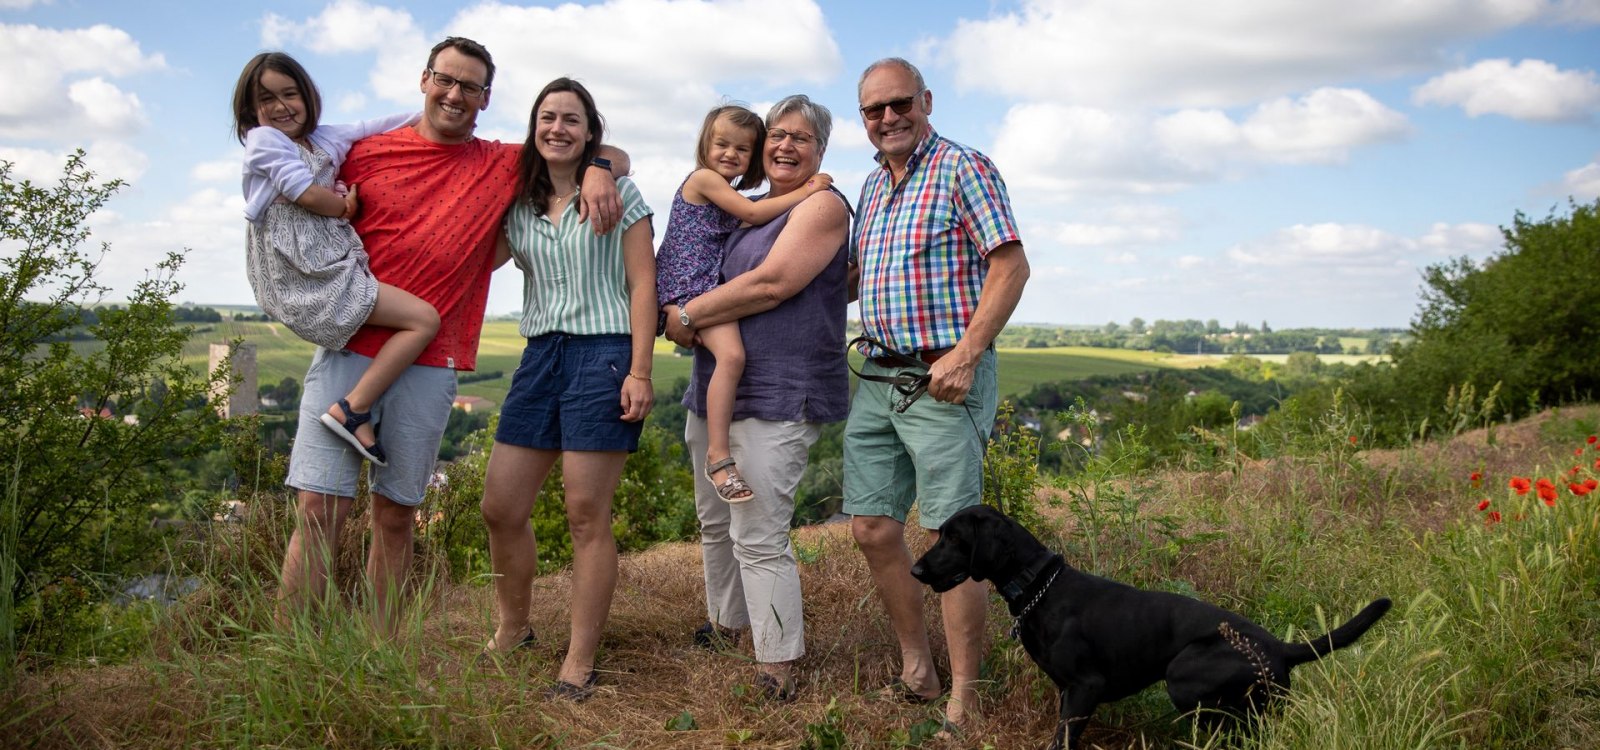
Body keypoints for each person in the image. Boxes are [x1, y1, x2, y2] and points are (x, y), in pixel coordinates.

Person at [275, 38, 627, 638]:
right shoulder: (366, 152)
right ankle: (289, 651)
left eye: (470, 87)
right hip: (348, 344)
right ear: (424, 79)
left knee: (395, 515)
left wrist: (598, 169)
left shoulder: (501, 163)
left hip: (431, 360)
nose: (454, 94)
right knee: (318, 510)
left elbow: (603, 149)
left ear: (486, 99)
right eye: (446, 80)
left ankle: (380, 654)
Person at [844, 57, 1030, 732]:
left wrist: (967, 353)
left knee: (955, 537)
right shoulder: (870, 187)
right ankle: (917, 665)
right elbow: (852, 280)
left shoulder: (963, 167)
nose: (888, 118)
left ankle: (966, 699)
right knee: (871, 526)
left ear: (925, 100)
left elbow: (1010, 264)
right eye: (874, 110)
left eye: (900, 104)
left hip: (941, 378)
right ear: (862, 118)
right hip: (877, 378)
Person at [663, 95, 851, 702]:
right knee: (716, 522)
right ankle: (726, 625)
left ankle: (777, 662)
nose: (785, 146)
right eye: (777, 134)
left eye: (800, 137)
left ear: (820, 150)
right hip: (717, 388)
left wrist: (685, 312)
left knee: (760, 534)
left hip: (777, 393)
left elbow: (772, 285)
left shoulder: (821, 205)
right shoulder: (746, 208)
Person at [478, 78, 656, 701]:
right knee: (500, 507)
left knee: (586, 514)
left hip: (602, 353)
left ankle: (579, 660)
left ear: (590, 131)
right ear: (534, 126)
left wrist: (639, 370)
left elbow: (642, 286)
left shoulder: (619, 192)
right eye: (547, 117)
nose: (558, 128)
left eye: (571, 120)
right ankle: (514, 628)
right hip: (538, 356)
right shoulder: (518, 205)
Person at [233, 51, 437, 466]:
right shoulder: (265, 140)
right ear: (251, 111)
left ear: (308, 96)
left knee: (418, 319)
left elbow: (374, 125)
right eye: (266, 99)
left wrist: (430, 114)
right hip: (300, 273)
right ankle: (353, 408)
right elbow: (304, 192)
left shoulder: (327, 138)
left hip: (327, 261)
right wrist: (344, 207)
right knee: (424, 320)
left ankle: (354, 409)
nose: (280, 106)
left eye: (290, 94)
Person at [655, 104, 834, 504]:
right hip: (689, 290)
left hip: (696, 293)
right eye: (721, 144)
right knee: (732, 358)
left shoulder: (728, 196)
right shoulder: (705, 180)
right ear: (705, 144)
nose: (730, 155)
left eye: (742, 149)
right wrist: (807, 191)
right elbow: (754, 213)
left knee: (730, 358)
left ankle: (718, 455)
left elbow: (762, 240)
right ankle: (720, 456)